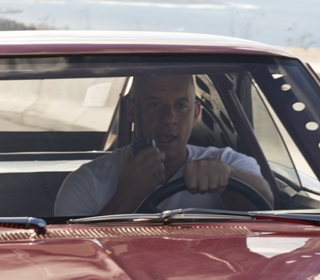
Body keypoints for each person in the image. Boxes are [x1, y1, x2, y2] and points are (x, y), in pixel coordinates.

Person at [54, 74, 274, 216]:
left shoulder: (228, 162)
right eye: (154, 104)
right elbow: (77, 259)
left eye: (181, 105)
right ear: (131, 111)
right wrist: (127, 195)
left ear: (196, 113)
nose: (169, 118)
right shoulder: (87, 182)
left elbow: (268, 207)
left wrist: (228, 178)